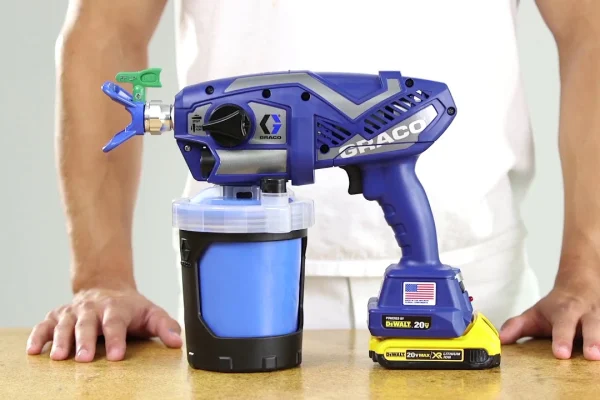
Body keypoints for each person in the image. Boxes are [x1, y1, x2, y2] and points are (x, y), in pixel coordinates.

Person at [27, 0, 600, 363]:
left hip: (487, 286)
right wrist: (102, 277)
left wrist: (587, 271)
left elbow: (589, 28)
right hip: (236, 273)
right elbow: (109, 28)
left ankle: (425, 280)